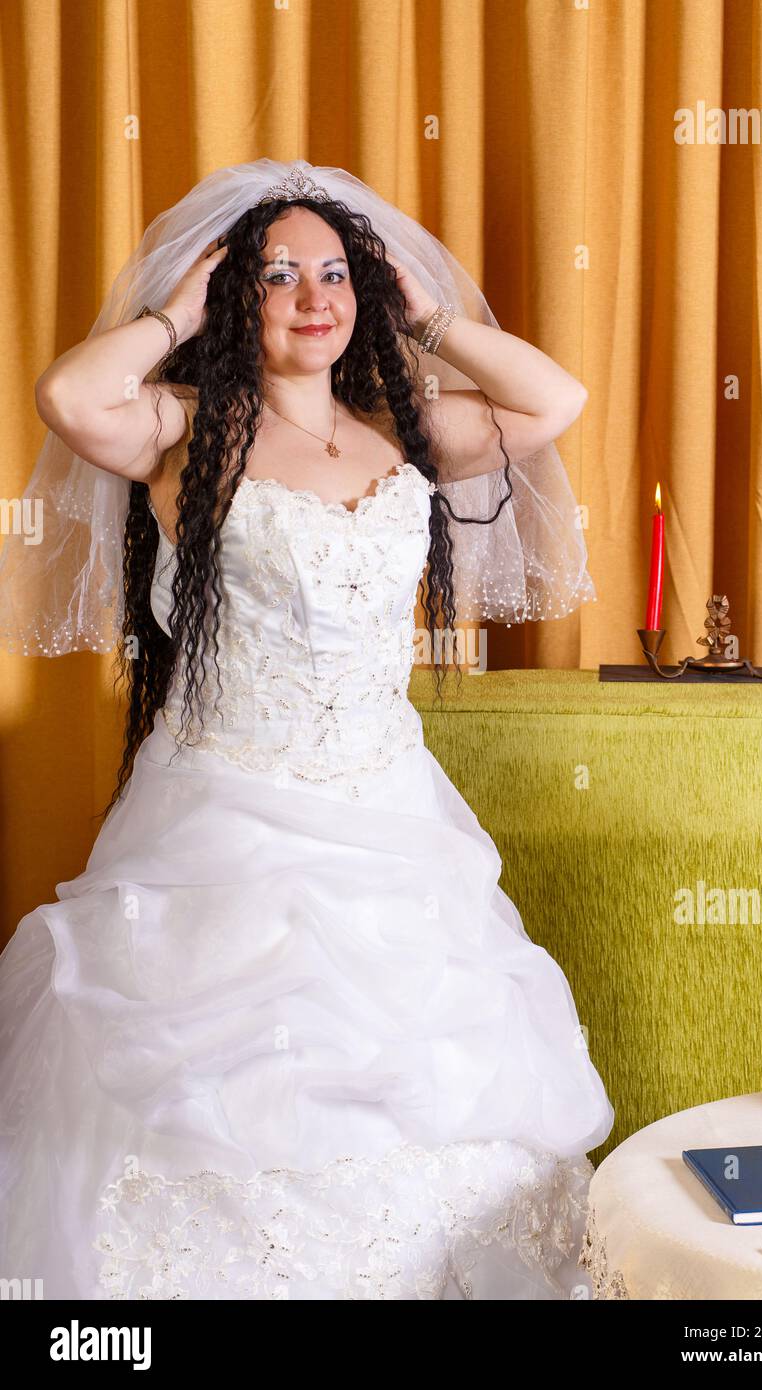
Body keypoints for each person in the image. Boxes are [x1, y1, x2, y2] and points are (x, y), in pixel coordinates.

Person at [0, 159, 613, 1300]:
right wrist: (174, 311)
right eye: (276, 274)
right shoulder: (188, 432)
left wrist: (422, 311)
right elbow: (71, 397)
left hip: (389, 812)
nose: (311, 296)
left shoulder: (402, 431)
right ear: (237, 296)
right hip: (224, 815)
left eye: (335, 274)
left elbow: (551, 402)